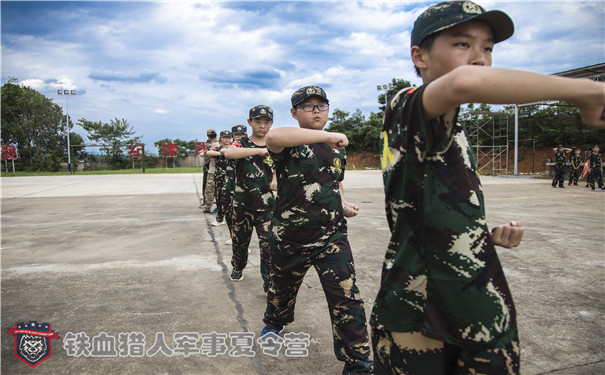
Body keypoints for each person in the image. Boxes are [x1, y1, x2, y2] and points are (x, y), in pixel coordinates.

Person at [371, 1, 605, 374]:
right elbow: (466, 81)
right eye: (463, 44)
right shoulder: (406, 108)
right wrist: (585, 92)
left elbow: (428, 209)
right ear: (420, 57)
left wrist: (481, 235)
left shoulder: (453, 128)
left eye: (488, 48)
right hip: (421, 317)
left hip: (479, 308)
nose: (480, 58)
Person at [262, 86, 372, 374]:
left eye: (321, 106)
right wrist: (327, 135)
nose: (316, 111)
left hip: (331, 237)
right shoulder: (288, 142)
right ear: (294, 112)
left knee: (347, 299)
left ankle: (358, 361)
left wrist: (343, 202)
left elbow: (334, 180)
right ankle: (275, 320)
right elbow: (272, 136)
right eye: (308, 106)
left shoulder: (336, 148)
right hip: (290, 238)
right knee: (280, 292)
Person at [223, 106, 276, 288]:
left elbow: (282, 166)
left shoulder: (276, 143)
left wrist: (276, 179)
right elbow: (228, 152)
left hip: (267, 206)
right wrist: (259, 151)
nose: (262, 125)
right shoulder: (242, 143)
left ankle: (269, 282)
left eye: (266, 122)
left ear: (272, 123)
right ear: (249, 122)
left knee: (269, 247)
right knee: (240, 243)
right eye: (258, 121)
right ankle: (238, 266)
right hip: (242, 205)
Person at [221, 125, 248, 245]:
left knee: (243, 216)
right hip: (230, 185)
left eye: (242, 135)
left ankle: (242, 242)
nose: (240, 137)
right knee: (228, 212)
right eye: (237, 135)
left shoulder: (250, 147)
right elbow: (223, 151)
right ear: (233, 136)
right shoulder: (232, 147)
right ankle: (233, 236)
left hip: (245, 187)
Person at [206, 130, 232, 226]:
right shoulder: (218, 148)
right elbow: (209, 153)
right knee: (219, 198)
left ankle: (232, 219)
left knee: (231, 200)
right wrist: (223, 153)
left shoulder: (234, 148)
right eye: (225, 137)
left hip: (232, 178)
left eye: (228, 137)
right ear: (221, 138)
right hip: (219, 177)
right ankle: (220, 218)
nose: (227, 139)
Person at [201, 129, 219, 213]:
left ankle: (208, 206)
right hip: (220, 171)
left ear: (208, 136)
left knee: (209, 190)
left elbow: (206, 158)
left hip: (212, 170)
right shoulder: (221, 144)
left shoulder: (210, 146)